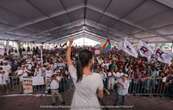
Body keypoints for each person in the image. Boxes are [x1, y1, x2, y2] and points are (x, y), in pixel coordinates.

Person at [66, 38, 104, 110]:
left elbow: (68, 58)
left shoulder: (75, 74)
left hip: (77, 104)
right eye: (93, 58)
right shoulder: (97, 77)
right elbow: (100, 95)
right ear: (91, 61)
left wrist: (70, 44)